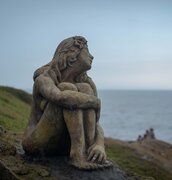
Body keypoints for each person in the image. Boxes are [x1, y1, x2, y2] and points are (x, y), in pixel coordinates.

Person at [22, 36, 110, 169]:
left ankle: (88, 152)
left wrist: (99, 145)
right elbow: (60, 98)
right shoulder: (44, 79)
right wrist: (95, 101)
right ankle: (77, 155)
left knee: (83, 90)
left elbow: (96, 124)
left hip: (62, 146)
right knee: (66, 89)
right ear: (72, 55)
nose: (92, 56)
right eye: (87, 51)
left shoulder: (87, 84)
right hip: (37, 142)